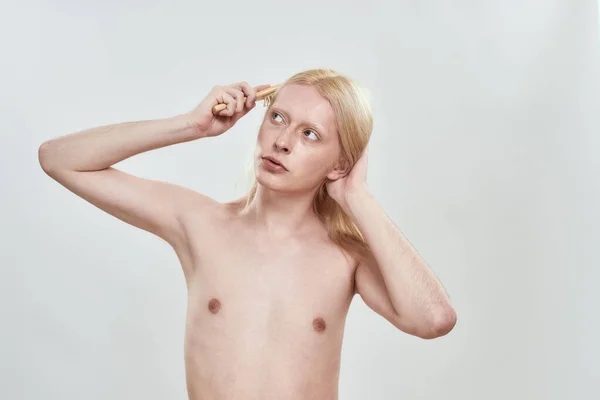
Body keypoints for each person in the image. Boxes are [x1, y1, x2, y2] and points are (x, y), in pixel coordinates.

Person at [38, 68, 456, 400]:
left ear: (338, 163)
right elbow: (59, 159)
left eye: (310, 134)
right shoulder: (200, 224)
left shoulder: (346, 257)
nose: (283, 141)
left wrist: (355, 194)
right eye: (278, 118)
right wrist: (190, 126)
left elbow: (433, 318)